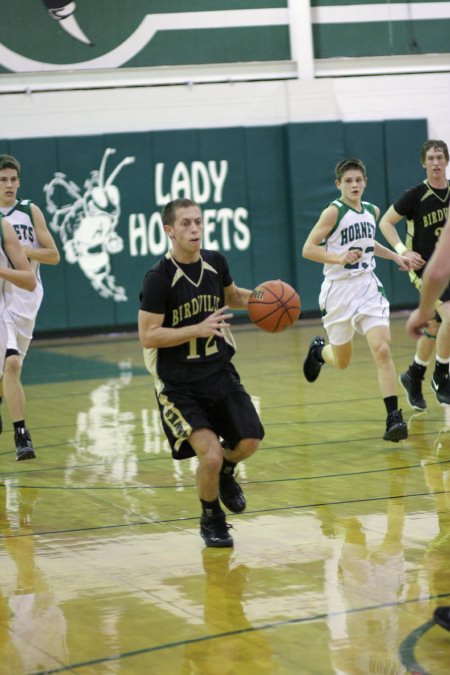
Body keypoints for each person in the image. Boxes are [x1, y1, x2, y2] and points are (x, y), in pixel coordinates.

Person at [138, 198, 264, 548]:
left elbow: (233, 296)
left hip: (219, 372)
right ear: (169, 230)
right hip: (178, 385)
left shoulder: (215, 262)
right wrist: (196, 328)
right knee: (208, 453)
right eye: (186, 224)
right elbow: (148, 335)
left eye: (198, 222)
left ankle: (226, 471)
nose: (194, 229)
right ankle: (212, 517)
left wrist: (267, 297)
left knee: (250, 441)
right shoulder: (158, 279)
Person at [302, 158, 410, 442]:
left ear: (365, 182)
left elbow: (369, 243)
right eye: (348, 181)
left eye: (358, 180)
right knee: (342, 361)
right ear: (339, 184)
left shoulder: (372, 211)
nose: (354, 185)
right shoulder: (332, 213)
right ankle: (318, 352)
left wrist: (396, 255)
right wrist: (338, 256)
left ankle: (393, 418)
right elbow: (308, 248)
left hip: (367, 288)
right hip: (338, 291)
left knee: (382, 349)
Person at [379, 140, 450, 411]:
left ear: (446, 161)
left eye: (440, 157)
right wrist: (401, 250)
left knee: (435, 326)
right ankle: (441, 377)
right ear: (424, 162)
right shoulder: (415, 194)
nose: (435, 162)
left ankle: (414, 375)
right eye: (431, 158)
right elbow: (385, 222)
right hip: (426, 271)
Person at [0, 154, 60, 460]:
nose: (9, 185)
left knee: (11, 365)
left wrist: (20, 250)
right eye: (3, 180)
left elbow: (53, 255)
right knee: (11, 364)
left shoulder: (28, 211)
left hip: (25, 295)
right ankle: (22, 434)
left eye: (13, 179)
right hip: (2, 296)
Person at [0, 215, 37, 458]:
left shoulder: (4, 227)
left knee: (12, 362)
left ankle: (21, 434)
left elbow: (29, 279)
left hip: (4, 307)